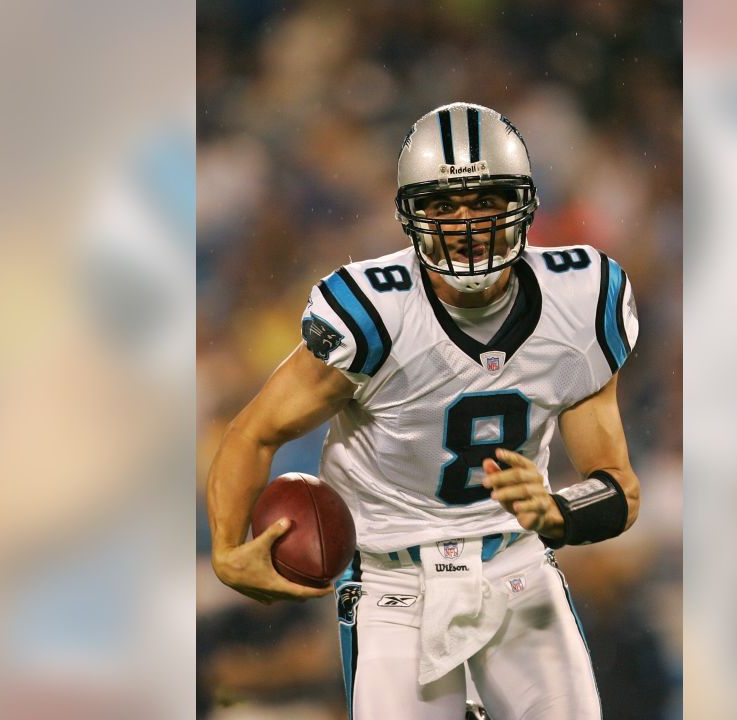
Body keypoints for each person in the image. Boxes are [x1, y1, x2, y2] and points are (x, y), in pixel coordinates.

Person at [207, 102, 641, 720]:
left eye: (485, 201)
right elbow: (253, 433)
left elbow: (619, 489)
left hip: (516, 565)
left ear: (521, 204)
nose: (466, 225)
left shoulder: (581, 303)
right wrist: (226, 549)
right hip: (393, 584)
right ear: (412, 215)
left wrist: (559, 511)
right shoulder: (376, 314)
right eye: (444, 206)